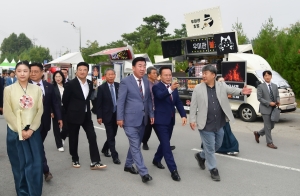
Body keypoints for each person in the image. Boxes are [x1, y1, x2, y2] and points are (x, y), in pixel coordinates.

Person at [189, 65, 252, 181]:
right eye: (203, 73)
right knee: (210, 147)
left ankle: (201, 156)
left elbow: (232, 90)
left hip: (219, 123)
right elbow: (193, 105)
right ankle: (213, 169)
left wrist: (242, 91)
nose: (203, 75)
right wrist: (192, 120)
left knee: (217, 145)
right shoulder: (198, 88)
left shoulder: (221, 86)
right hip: (205, 124)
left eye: (206, 73)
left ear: (213, 75)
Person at [3, 61, 44, 195]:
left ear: (30, 72)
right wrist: (19, 130)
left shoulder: (37, 89)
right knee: (19, 165)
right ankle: (23, 192)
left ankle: (35, 192)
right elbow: (8, 112)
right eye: (19, 70)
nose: (22, 73)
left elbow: (39, 111)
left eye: (25, 71)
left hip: (33, 130)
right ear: (15, 72)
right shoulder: (8, 89)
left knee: (36, 164)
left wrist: (31, 129)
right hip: (15, 131)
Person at [62, 62, 106, 169]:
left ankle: (95, 161)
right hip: (73, 116)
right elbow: (65, 101)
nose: (82, 72)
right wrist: (68, 114)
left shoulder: (91, 84)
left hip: (86, 116)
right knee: (73, 138)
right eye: (80, 69)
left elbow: (90, 98)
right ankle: (75, 158)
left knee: (92, 136)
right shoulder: (70, 84)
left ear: (87, 71)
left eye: (84, 70)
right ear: (76, 71)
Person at [117, 57, 154, 183]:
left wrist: (151, 114)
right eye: (140, 66)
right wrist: (120, 117)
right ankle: (144, 173)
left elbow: (148, 100)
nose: (143, 68)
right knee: (135, 145)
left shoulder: (146, 80)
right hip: (129, 119)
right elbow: (120, 101)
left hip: (143, 119)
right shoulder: (125, 82)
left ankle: (128, 165)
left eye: (144, 66)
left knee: (136, 144)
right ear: (133, 67)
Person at [152, 66, 187, 181]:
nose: (168, 77)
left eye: (169, 75)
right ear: (160, 76)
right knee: (166, 146)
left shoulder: (174, 87)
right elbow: (160, 96)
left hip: (170, 120)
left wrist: (183, 115)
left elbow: (178, 102)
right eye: (165, 75)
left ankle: (156, 159)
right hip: (160, 121)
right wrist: (171, 88)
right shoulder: (156, 87)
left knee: (164, 143)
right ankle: (173, 170)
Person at [30, 62, 63, 182]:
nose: (33, 74)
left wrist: (59, 118)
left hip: (45, 123)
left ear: (42, 72)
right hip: (30, 123)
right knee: (38, 146)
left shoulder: (48, 86)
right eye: (31, 71)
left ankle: (37, 166)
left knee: (37, 146)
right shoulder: (25, 86)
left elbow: (55, 103)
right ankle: (46, 170)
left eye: (36, 71)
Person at [97, 68, 120, 164]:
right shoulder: (102, 88)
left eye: (112, 74)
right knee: (111, 135)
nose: (111, 76)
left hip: (117, 115)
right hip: (107, 115)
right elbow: (99, 104)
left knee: (113, 134)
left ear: (115, 75)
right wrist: (99, 116)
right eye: (108, 74)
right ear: (105, 76)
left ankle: (104, 148)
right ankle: (115, 156)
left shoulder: (119, 86)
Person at [254, 70, 280, 149]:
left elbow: (277, 95)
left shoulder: (275, 86)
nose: (267, 77)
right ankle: (269, 142)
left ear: (271, 76)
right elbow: (259, 98)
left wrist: (278, 101)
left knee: (271, 126)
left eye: (268, 75)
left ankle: (258, 133)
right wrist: (269, 103)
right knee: (268, 126)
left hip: (273, 109)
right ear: (263, 77)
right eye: (265, 75)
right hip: (265, 109)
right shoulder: (260, 86)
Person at [215, 76, 239, 155]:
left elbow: (233, 90)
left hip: (223, 115)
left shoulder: (224, 88)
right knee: (214, 133)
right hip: (214, 116)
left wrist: (242, 91)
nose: (223, 83)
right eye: (220, 81)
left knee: (227, 132)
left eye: (224, 81)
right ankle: (210, 147)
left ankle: (233, 148)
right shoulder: (211, 90)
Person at [142, 66, 159, 150]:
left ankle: (165, 144)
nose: (156, 75)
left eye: (156, 73)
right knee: (148, 129)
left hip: (157, 109)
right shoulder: (145, 84)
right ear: (149, 75)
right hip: (148, 109)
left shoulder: (157, 83)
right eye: (154, 73)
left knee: (159, 128)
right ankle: (144, 142)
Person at [51, 71, 68, 152]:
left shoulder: (66, 86)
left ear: (63, 77)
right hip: (56, 109)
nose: (58, 78)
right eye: (56, 76)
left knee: (67, 127)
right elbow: (49, 100)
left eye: (59, 76)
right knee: (57, 127)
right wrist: (51, 111)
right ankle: (59, 145)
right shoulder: (52, 87)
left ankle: (62, 137)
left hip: (66, 109)